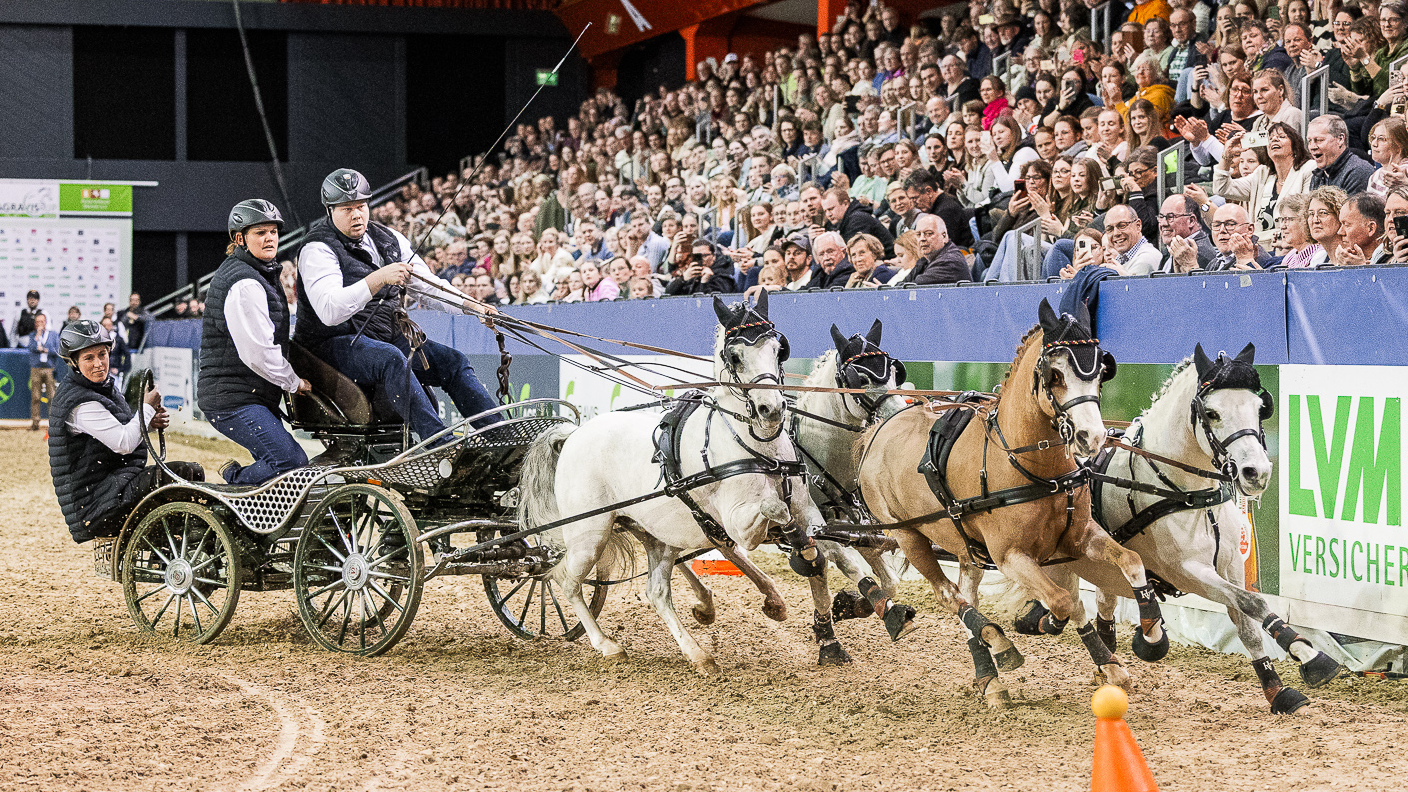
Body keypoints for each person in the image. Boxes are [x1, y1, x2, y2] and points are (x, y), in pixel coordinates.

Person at [295, 168, 503, 444]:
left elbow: (428, 286)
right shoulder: (317, 249)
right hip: (331, 345)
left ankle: (500, 436)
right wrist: (378, 278)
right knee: (392, 358)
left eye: (361, 206)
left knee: (453, 362)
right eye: (347, 208)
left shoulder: (388, 238)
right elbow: (330, 312)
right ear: (329, 210)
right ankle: (438, 444)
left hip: (382, 337)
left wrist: (471, 305)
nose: (357, 214)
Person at [47, 320, 205, 544]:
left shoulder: (99, 387)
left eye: (102, 354)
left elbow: (118, 430)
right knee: (183, 475)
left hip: (111, 490)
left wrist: (148, 423)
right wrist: (148, 409)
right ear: (73, 362)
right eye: (88, 358)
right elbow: (124, 442)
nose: (99, 363)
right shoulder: (80, 404)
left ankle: (182, 545)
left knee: (192, 472)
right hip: (97, 508)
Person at [199, 200, 313, 485]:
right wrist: (294, 382)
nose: (270, 238)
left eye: (273, 231)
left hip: (248, 395)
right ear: (240, 238)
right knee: (290, 463)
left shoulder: (259, 272)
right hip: (233, 401)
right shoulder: (244, 283)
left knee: (277, 467)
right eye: (260, 232)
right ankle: (233, 483)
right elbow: (258, 353)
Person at [1306, 115, 1377, 194]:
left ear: (1340, 139)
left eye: (1319, 140)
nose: (1312, 147)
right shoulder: (1318, 174)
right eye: (1309, 141)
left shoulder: (1358, 171)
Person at [903, 213, 971, 284]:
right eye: (918, 234)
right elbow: (900, 286)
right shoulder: (925, 259)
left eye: (929, 233)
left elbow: (912, 287)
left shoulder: (950, 261)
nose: (922, 238)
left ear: (944, 236)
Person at [1159, 194, 1220, 272]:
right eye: (1161, 217)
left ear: (1191, 221)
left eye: (1170, 217)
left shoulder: (1198, 255)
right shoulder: (1172, 248)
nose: (1163, 223)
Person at [1101, 204, 1162, 275]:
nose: (1116, 233)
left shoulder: (1147, 258)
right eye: (1110, 229)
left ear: (1138, 225)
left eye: (1122, 226)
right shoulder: (1121, 258)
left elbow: (1133, 286)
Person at [1336, 193, 1389, 266]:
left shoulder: (1395, 258)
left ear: (1371, 228)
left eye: (1346, 224)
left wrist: (1360, 269)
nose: (1340, 232)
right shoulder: (1346, 262)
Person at [1275, 193, 1327, 268]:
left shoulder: (1319, 253)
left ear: (1305, 220)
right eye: (1282, 220)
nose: (1283, 226)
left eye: (1287, 219)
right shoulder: (1291, 255)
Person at [27, 312, 59, 431]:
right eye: (37, 322)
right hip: (36, 368)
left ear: (46, 322)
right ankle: (35, 423)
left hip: (49, 368)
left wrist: (46, 350)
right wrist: (37, 338)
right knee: (35, 396)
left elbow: (56, 350)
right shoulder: (32, 335)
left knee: (52, 396)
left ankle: (54, 424)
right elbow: (31, 347)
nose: (40, 324)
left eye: (42, 321)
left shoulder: (53, 335)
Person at [1306, 185, 1349, 266]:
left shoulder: (1352, 257)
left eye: (1322, 213)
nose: (1315, 220)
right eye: (1311, 214)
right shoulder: (1318, 259)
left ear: (1339, 215)